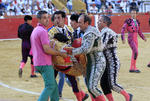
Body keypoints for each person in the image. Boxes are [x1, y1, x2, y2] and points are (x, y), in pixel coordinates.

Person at [48, 10, 89, 101]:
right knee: (50, 82)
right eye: (55, 18)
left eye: (59, 18)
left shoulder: (70, 29)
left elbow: (74, 43)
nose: (57, 20)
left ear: (64, 19)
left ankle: (80, 98)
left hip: (68, 60)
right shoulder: (51, 32)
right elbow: (51, 45)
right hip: (55, 61)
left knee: (74, 81)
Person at [65, 14, 106, 101]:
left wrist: (71, 52)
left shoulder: (90, 33)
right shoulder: (87, 31)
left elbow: (85, 49)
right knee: (89, 85)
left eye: (80, 23)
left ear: (86, 23)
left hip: (97, 61)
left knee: (92, 87)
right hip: (90, 62)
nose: (78, 24)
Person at [30, 10, 67, 101]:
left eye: (47, 18)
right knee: (50, 86)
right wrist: (60, 53)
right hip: (45, 63)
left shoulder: (35, 30)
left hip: (38, 62)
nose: (47, 20)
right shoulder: (42, 31)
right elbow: (46, 49)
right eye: (44, 18)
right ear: (39, 19)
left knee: (54, 87)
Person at [98, 15, 133, 101]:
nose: (98, 22)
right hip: (106, 63)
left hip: (112, 62)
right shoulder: (104, 32)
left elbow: (101, 46)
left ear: (104, 23)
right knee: (103, 83)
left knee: (112, 84)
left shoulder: (106, 32)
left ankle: (128, 96)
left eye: (99, 21)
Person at [121, 9, 146, 73]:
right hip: (131, 38)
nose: (133, 14)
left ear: (136, 14)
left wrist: (143, 37)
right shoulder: (128, 21)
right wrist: (122, 38)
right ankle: (133, 67)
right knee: (136, 52)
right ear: (130, 14)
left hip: (136, 38)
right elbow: (123, 29)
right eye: (132, 13)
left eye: (134, 13)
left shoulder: (137, 21)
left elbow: (139, 31)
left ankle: (132, 67)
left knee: (134, 53)